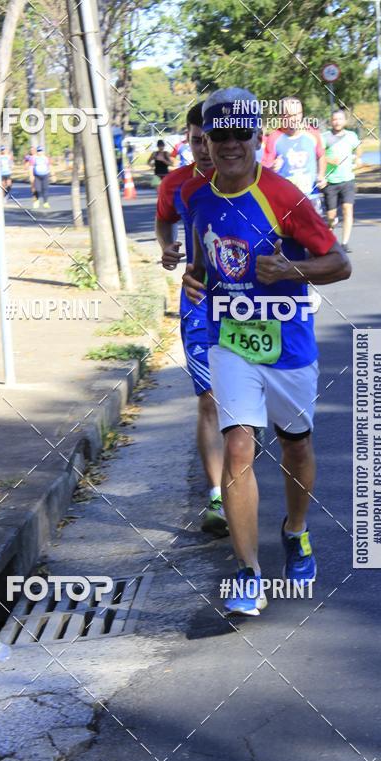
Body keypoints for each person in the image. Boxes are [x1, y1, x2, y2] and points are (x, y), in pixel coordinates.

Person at [182, 87, 351, 615]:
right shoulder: (198, 197)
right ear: (205, 140)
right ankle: (248, 571)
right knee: (238, 447)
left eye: (241, 135)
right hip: (230, 339)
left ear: (258, 137)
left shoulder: (286, 198)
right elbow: (201, 261)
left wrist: (291, 271)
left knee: (295, 445)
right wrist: (193, 280)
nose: (230, 145)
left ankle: (295, 531)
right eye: (220, 136)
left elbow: (340, 263)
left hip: (287, 339)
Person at [155, 101, 226, 536]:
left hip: (246, 306)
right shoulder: (177, 184)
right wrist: (166, 248)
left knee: (241, 406)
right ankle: (218, 495)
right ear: (189, 139)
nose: (203, 149)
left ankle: (239, 480)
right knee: (209, 399)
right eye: (196, 140)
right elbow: (164, 223)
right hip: (198, 302)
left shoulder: (249, 182)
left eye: (210, 140)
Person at [262, 97, 326, 215]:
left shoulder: (312, 133)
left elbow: (321, 155)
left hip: (311, 196)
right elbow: (264, 171)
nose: (295, 119)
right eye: (290, 115)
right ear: (281, 116)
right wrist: (272, 168)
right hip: (285, 200)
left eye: (298, 114)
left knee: (313, 232)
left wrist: (321, 175)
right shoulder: (274, 138)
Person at [322, 108, 362, 252]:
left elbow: (358, 148)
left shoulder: (351, 136)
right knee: (331, 217)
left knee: (347, 208)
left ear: (345, 121)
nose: (337, 122)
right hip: (331, 181)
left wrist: (358, 158)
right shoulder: (325, 137)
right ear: (331, 121)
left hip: (348, 180)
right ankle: (331, 241)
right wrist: (329, 159)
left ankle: (345, 243)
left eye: (339, 119)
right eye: (334, 119)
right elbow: (319, 156)